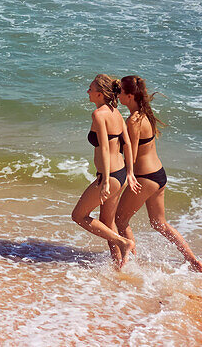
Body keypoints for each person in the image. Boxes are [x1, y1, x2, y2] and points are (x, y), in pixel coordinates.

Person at [114, 75, 202, 272]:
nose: (118, 95)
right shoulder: (145, 114)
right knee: (159, 223)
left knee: (120, 220)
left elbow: (133, 154)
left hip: (145, 178)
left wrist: (126, 174)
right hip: (158, 175)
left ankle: (131, 264)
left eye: (120, 92)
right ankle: (193, 261)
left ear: (129, 96)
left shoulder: (133, 120)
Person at [70, 74, 139, 266]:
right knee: (107, 223)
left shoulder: (99, 115)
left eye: (90, 89)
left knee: (78, 216)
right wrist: (130, 173)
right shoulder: (116, 113)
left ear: (100, 94)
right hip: (121, 173)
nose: (87, 91)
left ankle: (123, 242)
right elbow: (126, 144)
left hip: (110, 177)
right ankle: (121, 266)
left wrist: (106, 181)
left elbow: (106, 148)